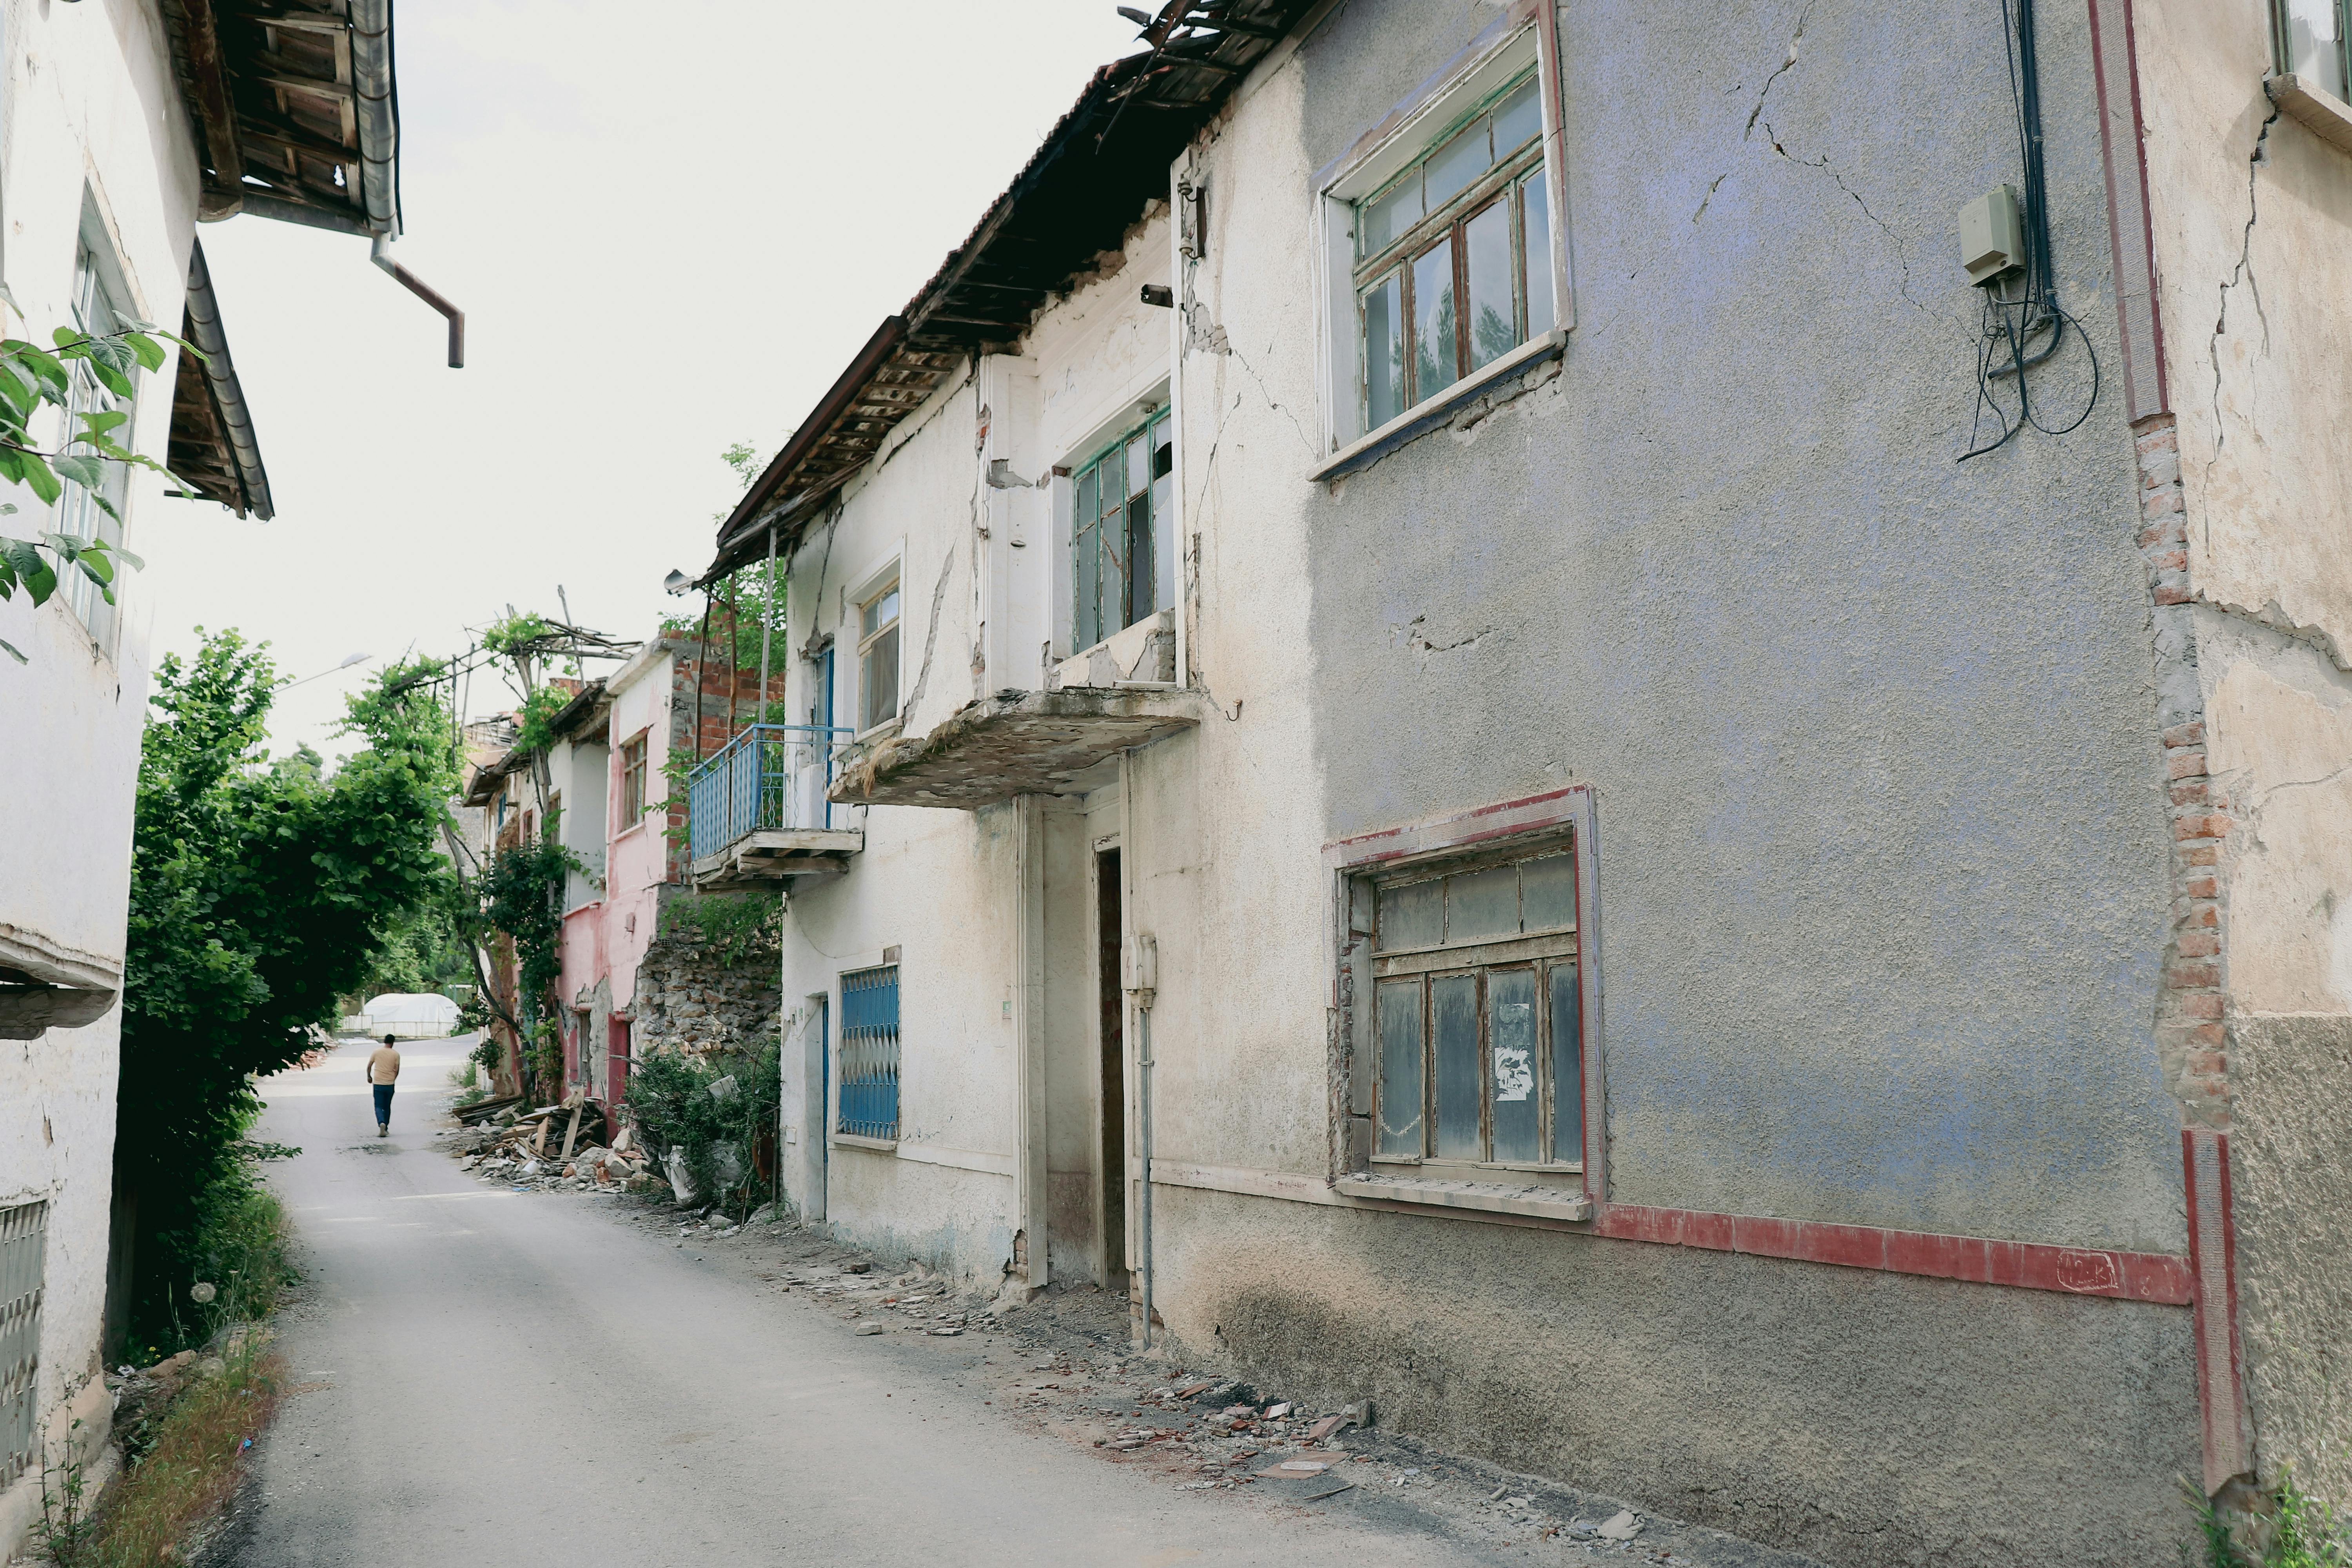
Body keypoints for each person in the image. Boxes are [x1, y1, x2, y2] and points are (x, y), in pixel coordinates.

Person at [366, 1032, 402, 1137]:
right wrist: (393, 1079)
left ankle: (381, 1122)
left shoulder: (376, 1052)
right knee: (387, 1106)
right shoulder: (396, 1054)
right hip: (390, 1084)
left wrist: (369, 1076)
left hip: (378, 1083)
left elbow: (369, 1066)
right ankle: (385, 1127)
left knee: (378, 1105)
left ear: (384, 1041)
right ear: (393, 1043)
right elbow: (397, 1070)